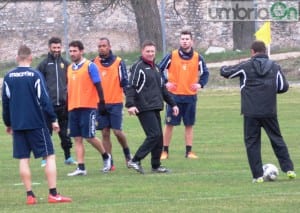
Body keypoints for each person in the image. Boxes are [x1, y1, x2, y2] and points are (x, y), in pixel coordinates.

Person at [2, 45, 72, 204]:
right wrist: (53, 119)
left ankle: (30, 196)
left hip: (18, 124)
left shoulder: (8, 76)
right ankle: (53, 194)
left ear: (17, 57)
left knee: (23, 159)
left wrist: (8, 123)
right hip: (36, 123)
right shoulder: (35, 75)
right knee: (50, 155)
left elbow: (5, 102)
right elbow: (45, 100)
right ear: (31, 58)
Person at [220, 40, 296, 183]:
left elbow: (227, 73)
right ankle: (289, 169)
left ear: (252, 52)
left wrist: (223, 66)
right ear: (265, 51)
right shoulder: (275, 66)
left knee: (252, 143)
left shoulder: (246, 66)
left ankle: (258, 176)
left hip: (251, 112)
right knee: (277, 139)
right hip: (269, 111)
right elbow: (283, 87)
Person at [125, 40, 179, 174]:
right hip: (143, 106)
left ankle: (156, 165)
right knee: (153, 135)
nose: (150, 54)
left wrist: (173, 104)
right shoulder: (138, 67)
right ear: (142, 52)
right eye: (147, 51)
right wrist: (130, 104)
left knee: (159, 137)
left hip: (155, 106)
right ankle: (135, 160)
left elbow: (163, 89)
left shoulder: (157, 68)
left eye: (152, 51)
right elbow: (131, 86)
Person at [159, 30, 209, 160]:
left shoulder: (198, 57)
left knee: (189, 124)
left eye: (187, 39)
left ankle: (189, 152)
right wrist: (165, 83)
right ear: (180, 41)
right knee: (169, 124)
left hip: (190, 96)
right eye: (182, 39)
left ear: (191, 41)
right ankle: (164, 151)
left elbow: (205, 73)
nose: (185, 41)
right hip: (173, 97)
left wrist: (200, 84)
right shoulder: (172, 55)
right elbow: (158, 69)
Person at [66, 40, 111, 176]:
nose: (72, 53)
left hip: (88, 107)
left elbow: (98, 85)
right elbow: (69, 89)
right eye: (71, 51)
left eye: (75, 51)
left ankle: (106, 156)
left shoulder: (90, 66)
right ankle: (81, 167)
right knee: (77, 138)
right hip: (73, 108)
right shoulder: (69, 68)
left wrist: (102, 102)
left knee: (90, 137)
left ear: (81, 51)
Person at [93, 37, 132, 171]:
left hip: (115, 102)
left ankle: (127, 153)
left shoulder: (118, 62)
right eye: (99, 46)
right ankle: (109, 162)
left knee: (117, 132)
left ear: (109, 47)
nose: (101, 48)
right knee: (105, 132)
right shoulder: (94, 63)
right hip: (100, 104)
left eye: (104, 46)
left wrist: (130, 101)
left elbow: (124, 82)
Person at [37, 37, 76, 167]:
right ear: (49, 48)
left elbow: (71, 83)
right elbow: (38, 85)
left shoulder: (66, 64)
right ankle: (44, 158)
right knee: (46, 133)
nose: (56, 50)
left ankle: (68, 157)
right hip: (48, 107)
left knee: (64, 134)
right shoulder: (43, 65)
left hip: (63, 105)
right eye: (54, 48)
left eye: (58, 48)